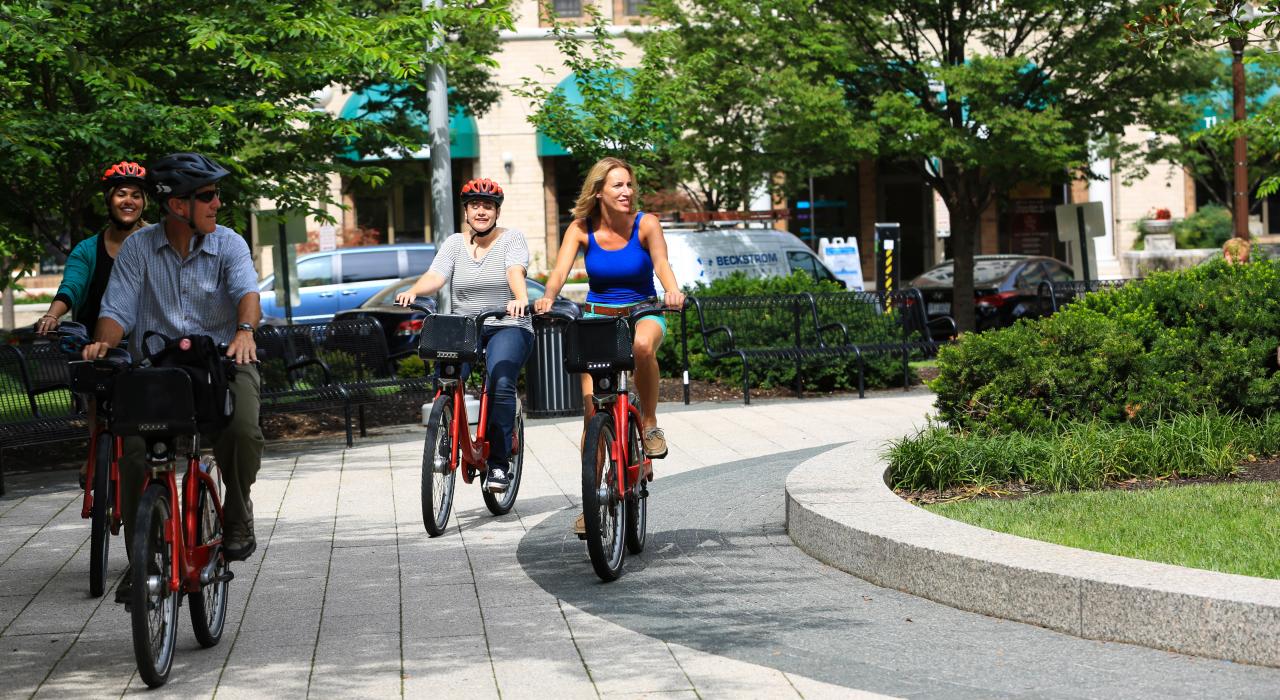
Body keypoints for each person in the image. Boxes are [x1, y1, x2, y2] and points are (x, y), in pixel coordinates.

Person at [81, 152, 264, 602]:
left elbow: (248, 293)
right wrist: (103, 344)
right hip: (157, 369)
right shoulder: (138, 249)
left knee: (242, 431)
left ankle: (237, 511)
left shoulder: (230, 244)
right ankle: (142, 557)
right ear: (178, 205)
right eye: (208, 195)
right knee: (132, 452)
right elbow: (116, 311)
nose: (217, 203)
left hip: (222, 361)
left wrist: (244, 331)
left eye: (217, 194)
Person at [534, 157, 684, 535]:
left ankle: (649, 424)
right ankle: (593, 501)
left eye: (629, 185)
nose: (627, 191)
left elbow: (662, 264)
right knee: (593, 416)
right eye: (618, 185)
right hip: (599, 319)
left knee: (643, 347)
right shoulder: (581, 229)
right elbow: (559, 271)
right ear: (599, 191)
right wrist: (548, 297)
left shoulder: (646, 224)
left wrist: (672, 290)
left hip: (643, 311)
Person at [395, 178, 532, 492]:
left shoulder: (512, 238)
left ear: (497, 212)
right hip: (466, 327)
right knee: (445, 376)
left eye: (488, 206)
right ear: (467, 211)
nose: (481, 211)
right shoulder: (454, 243)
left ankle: (499, 464)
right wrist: (414, 291)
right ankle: (449, 431)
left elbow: (515, 270)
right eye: (475, 205)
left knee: (500, 383)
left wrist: (520, 297)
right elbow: (436, 275)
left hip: (508, 324)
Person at [36, 161, 149, 487]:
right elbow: (71, 286)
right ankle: (96, 449)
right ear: (109, 200)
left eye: (136, 195)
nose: (129, 201)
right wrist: (52, 315)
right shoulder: (87, 250)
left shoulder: (155, 242)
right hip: (100, 345)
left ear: (144, 202)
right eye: (122, 194)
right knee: (98, 396)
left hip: (144, 341)